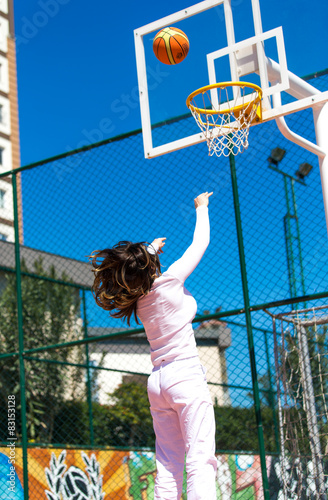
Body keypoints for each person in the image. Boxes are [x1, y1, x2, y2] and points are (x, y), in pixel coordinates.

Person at [90, 192, 217, 500]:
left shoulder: (137, 300)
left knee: (169, 463)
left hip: (157, 382)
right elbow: (199, 244)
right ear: (151, 265)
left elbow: (137, 271)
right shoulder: (171, 280)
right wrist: (202, 208)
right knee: (200, 458)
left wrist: (150, 249)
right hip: (185, 376)